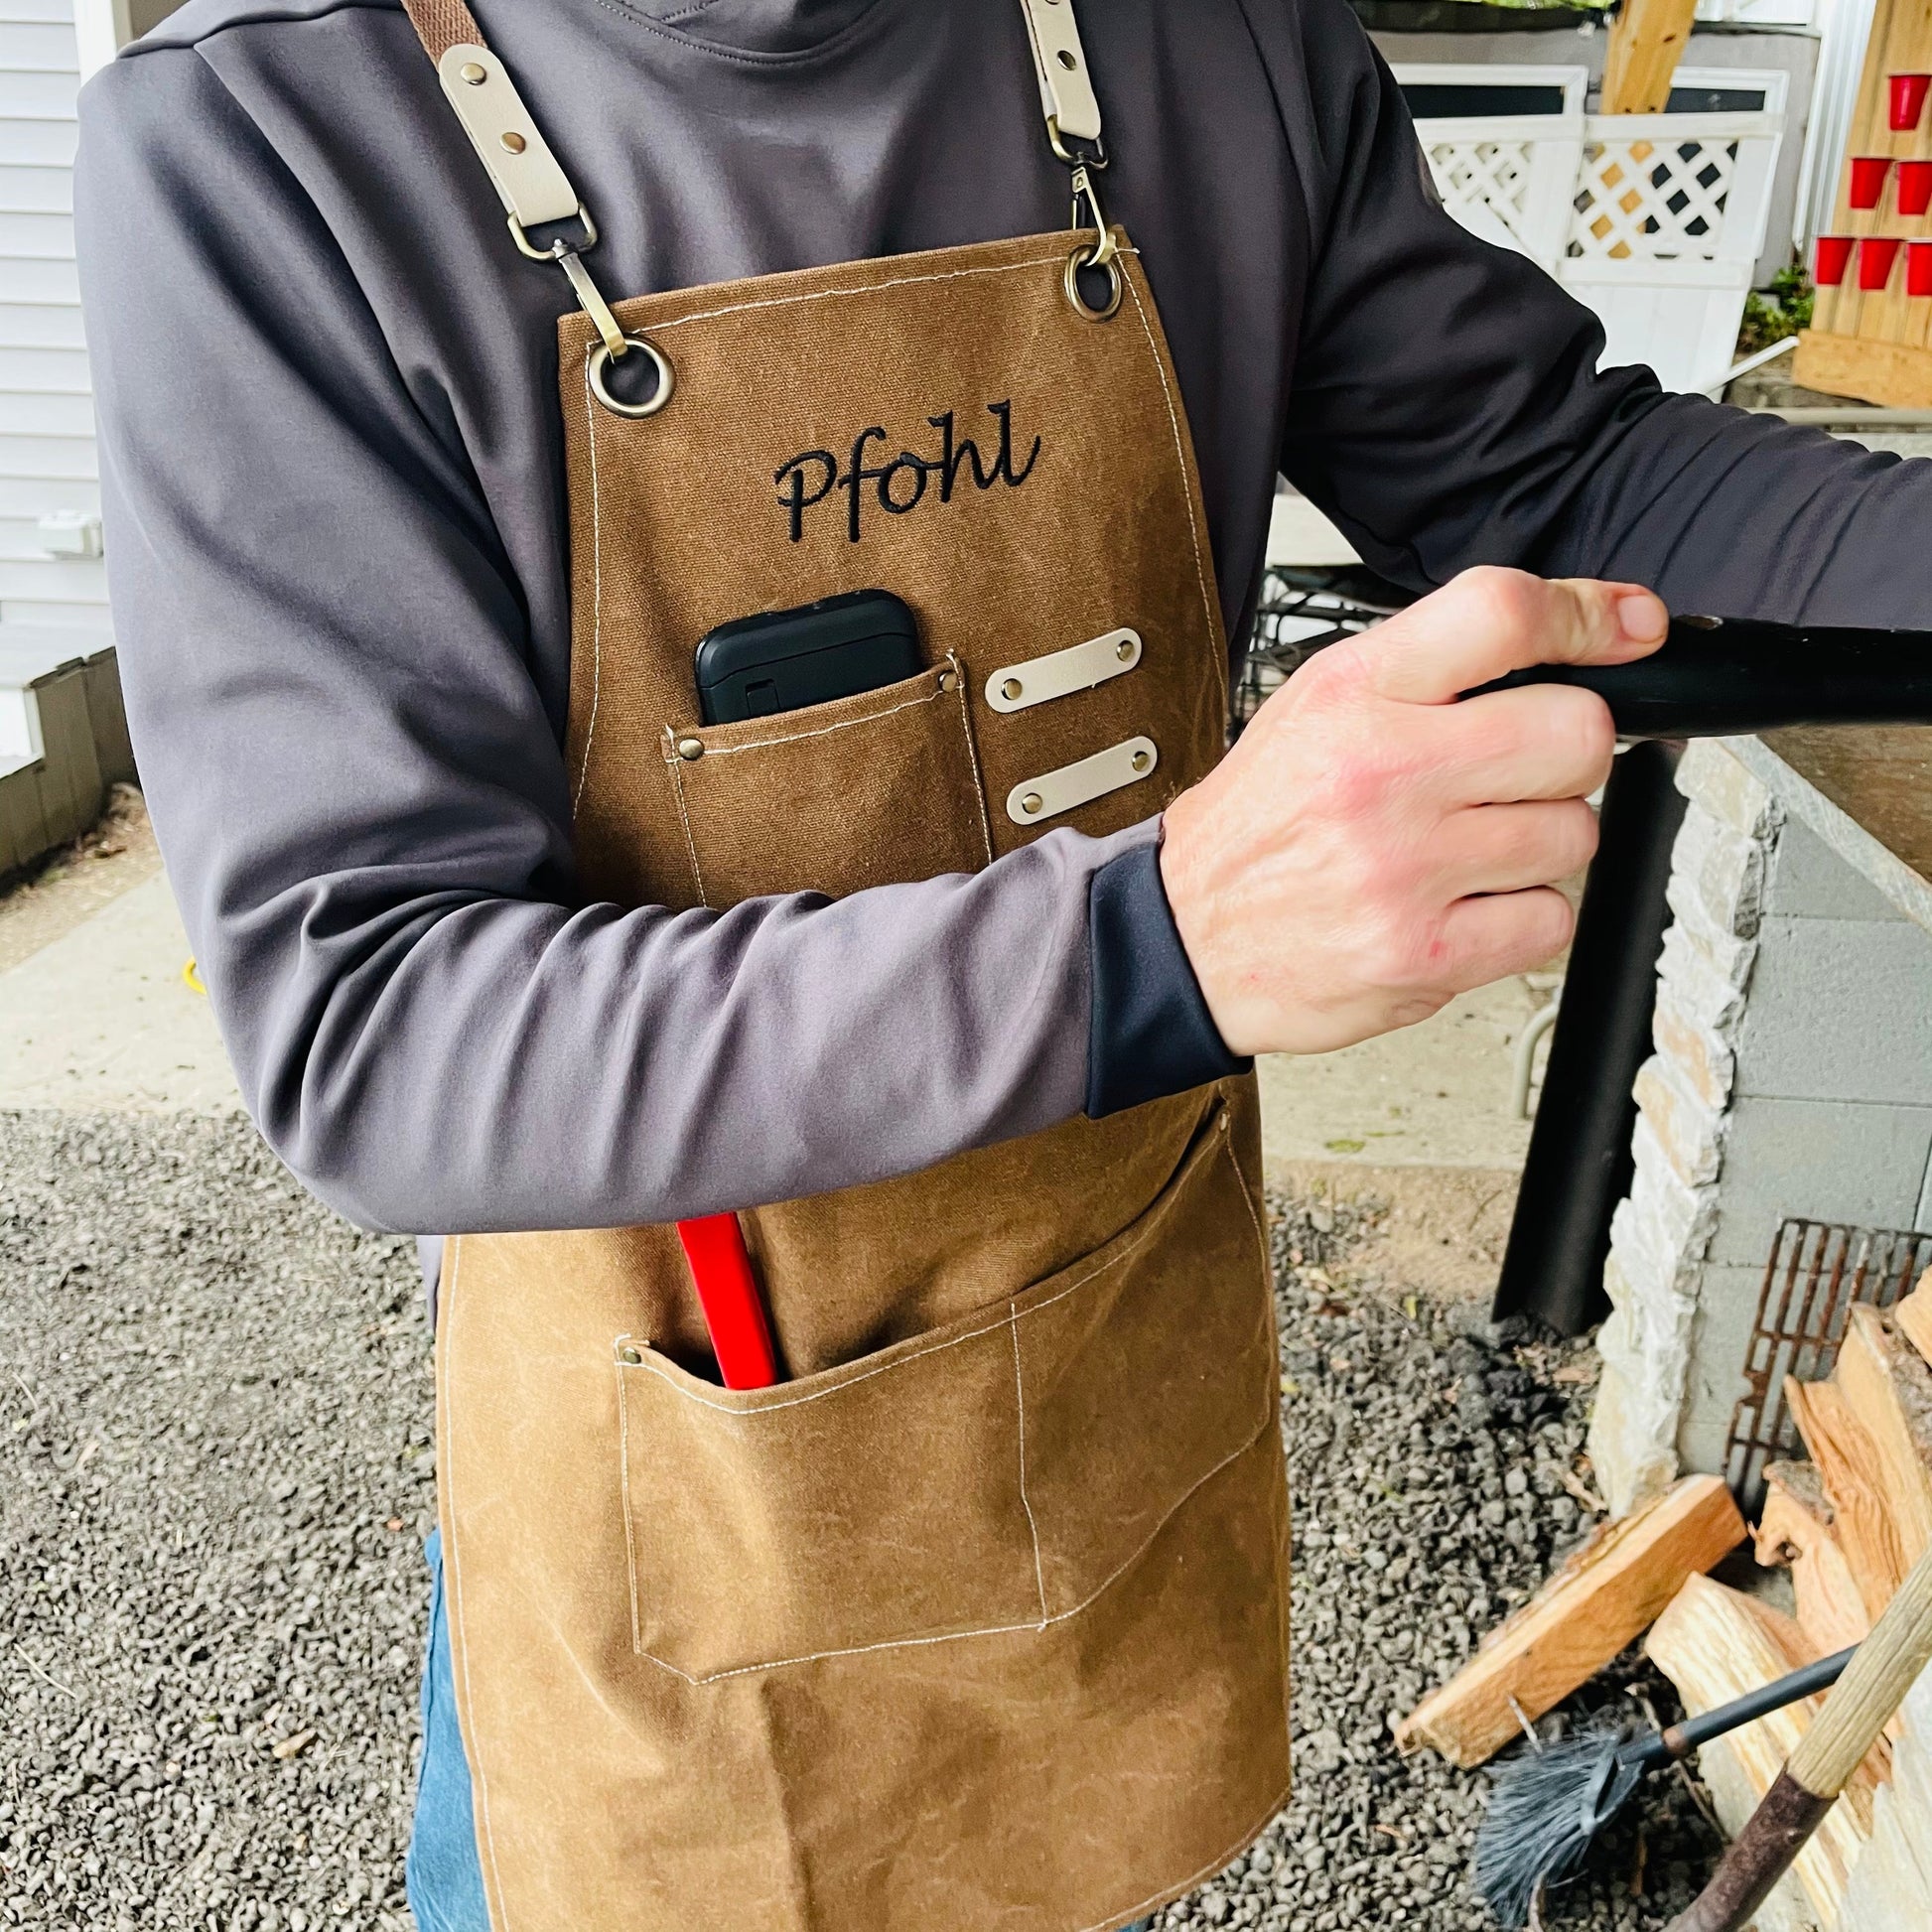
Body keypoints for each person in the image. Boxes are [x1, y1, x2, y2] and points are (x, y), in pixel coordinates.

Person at [72, 1, 1930, 1928]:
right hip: (687, 1450)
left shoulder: (1213, 45)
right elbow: (381, 1027)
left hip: (1113, 1350)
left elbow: (1558, 478)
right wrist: (1153, 939)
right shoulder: (268, 141)